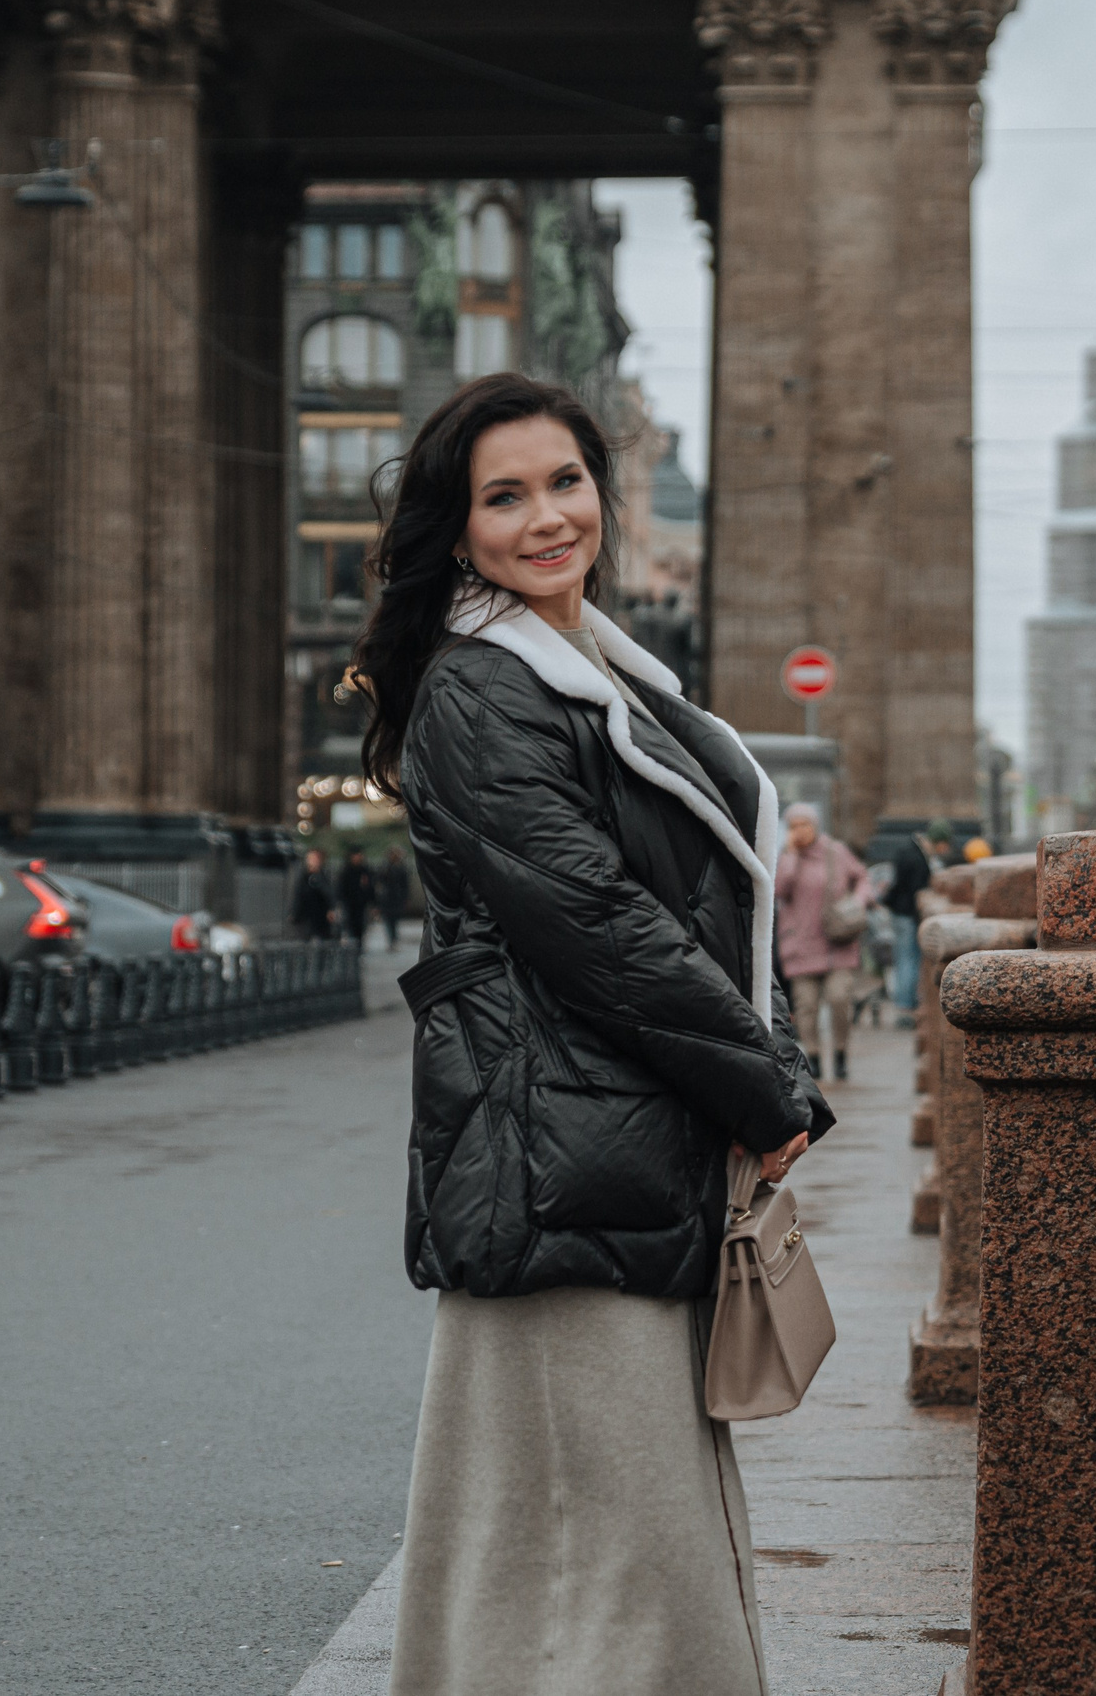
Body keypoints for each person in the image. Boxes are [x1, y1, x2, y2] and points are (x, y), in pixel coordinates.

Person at [351, 372, 831, 1696]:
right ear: (459, 532)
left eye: (565, 482)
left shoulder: (601, 674)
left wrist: (761, 1074)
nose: (547, 515)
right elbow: (601, 923)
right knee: (600, 1556)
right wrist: (770, 1087)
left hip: (612, 1147)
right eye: (505, 496)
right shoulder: (481, 693)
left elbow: (713, 899)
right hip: (557, 1155)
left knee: (585, 1544)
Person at [773, 801, 872, 1082]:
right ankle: (813, 1058)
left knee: (840, 998)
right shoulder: (786, 857)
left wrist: (859, 901)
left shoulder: (835, 852)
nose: (800, 831)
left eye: (805, 825)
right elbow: (780, 889)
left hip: (837, 944)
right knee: (806, 1007)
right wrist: (791, 854)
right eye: (794, 827)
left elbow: (862, 877)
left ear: (815, 826)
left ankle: (840, 1054)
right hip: (801, 946)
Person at [879, 826, 934, 1021]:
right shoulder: (916, 857)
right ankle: (905, 1004)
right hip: (908, 914)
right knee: (908, 959)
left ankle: (904, 1002)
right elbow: (914, 888)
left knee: (904, 958)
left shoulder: (906, 852)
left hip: (900, 912)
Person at [291, 848, 336, 940]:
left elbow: (329, 894)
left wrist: (331, 909)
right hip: (306, 917)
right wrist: (294, 912)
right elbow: (298, 895)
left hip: (321, 917)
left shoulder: (325, 876)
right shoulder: (303, 876)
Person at [337, 844, 376, 948]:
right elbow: (341, 889)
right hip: (349, 905)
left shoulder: (365, 870)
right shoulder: (346, 871)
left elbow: (371, 888)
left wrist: (373, 904)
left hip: (362, 905)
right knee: (349, 928)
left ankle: (358, 948)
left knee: (360, 929)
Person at [376, 845, 412, 947]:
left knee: (394, 919)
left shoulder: (401, 868)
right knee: (389, 919)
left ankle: (394, 938)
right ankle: (392, 939)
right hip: (387, 898)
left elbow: (405, 884)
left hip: (396, 897)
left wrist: (406, 897)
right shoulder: (385, 867)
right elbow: (380, 880)